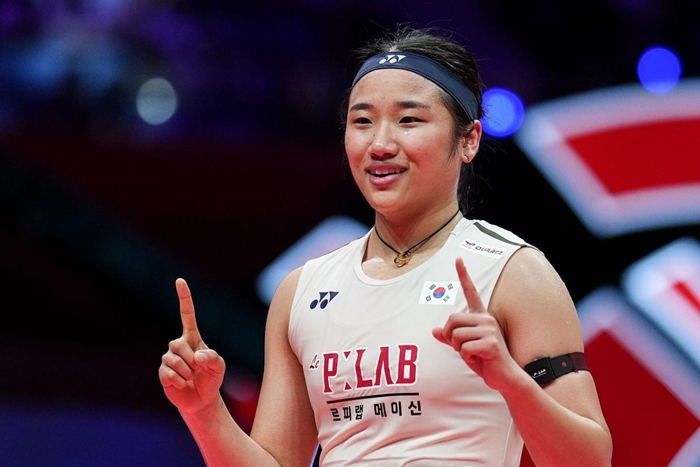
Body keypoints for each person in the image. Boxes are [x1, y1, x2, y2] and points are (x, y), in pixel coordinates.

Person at [158, 25, 613, 467]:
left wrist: (512, 382)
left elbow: (590, 461)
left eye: (409, 120)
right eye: (362, 121)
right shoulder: (301, 290)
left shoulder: (515, 272)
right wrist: (204, 411)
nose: (379, 144)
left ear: (469, 139)